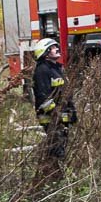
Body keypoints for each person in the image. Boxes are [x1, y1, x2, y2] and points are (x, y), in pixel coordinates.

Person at [31, 37, 75, 173]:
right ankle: (56, 174)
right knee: (56, 146)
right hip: (51, 117)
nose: (57, 49)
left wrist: (71, 113)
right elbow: (43, 97)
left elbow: (65, 93)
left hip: (62, 115)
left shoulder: (56, 69)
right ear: (46, 52)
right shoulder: (42, 71)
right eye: (53, 47)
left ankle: (53, 172)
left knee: (62, 144)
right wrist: (55, 115)